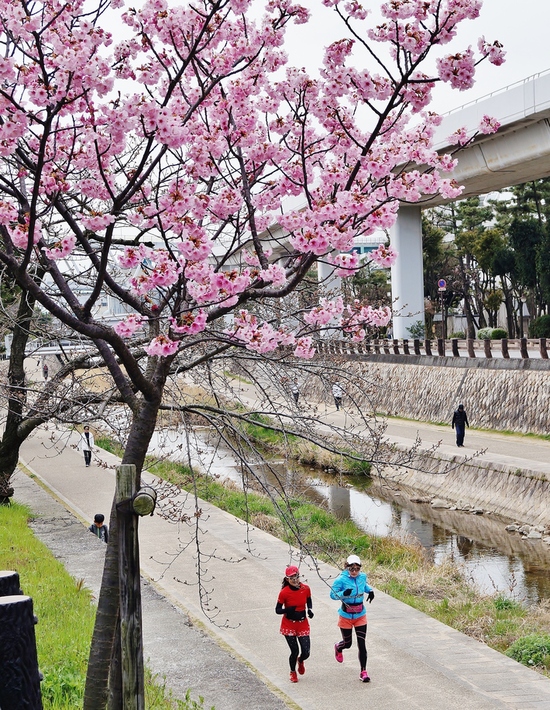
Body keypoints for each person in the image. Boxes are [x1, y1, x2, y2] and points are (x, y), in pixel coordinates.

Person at [330, 554, 375, 683]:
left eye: (357, 569)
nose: (354, 572)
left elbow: (363, 585)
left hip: (360, 614)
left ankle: (363, 671)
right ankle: (339, 647)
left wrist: (370, 591)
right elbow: (332, 595)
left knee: (362, 644)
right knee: (348, 643)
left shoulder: (362, 577)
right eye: (352, 569)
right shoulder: (341, 580)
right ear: (346, 567)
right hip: (346, 616)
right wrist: (344, 594)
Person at [275, 565, 314, 683]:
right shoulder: (284, 593)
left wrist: (310, 610)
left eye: (296, 577)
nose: (295, 580)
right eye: (292, 578)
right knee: (294, 650)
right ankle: (292, 672)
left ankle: (301, 660)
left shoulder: (305, 589)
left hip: (302, 623)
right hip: (289, 624)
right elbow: (277, 610)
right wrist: (287, 610)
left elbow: (308, 600)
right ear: (287, 579)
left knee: (306, 652)